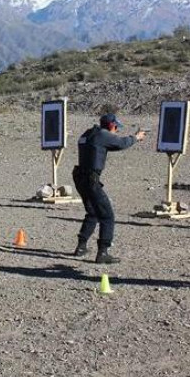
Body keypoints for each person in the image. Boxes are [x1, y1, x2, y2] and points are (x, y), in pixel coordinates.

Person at [70, 113, 146, 264]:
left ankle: (81, 246)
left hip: (80, 177)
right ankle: (103, 252)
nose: (116, 131)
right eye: (116, 127)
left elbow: (109, 146)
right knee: (107, 216)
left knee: (92, 212)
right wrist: (136, 137)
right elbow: (121, 143)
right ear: (112, 125)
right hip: (91, 179)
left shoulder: (88, 134)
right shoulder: (102, 135)